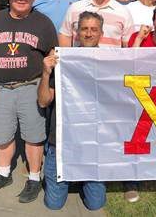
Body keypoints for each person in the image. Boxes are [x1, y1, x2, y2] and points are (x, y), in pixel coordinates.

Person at [0, 0, 57, 203]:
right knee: (2, 134)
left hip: (30, 87)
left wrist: (47, 84)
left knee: (34, 135)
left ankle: (33, 178)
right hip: (1, 88)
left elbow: (53, 53)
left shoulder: (43, 23)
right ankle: (3, 174)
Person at [39, 11, 106, 211]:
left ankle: (81, 178)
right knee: (54, 204)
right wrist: (45, 72)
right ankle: (60, 175)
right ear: (76, 33)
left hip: (94, 144)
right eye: (84, 29)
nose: (88, 33)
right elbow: (43, 102)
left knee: (95, 204)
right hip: (60, 143)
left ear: (101, 33)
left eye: (94, 29)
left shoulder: (109, 62)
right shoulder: (62, 61)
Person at [123, 1, 156, 202]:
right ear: (153, 21)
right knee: (137, 138)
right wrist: (138, 39)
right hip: (139, 96)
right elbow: (128, 62)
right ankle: (131, 181)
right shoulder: (140, 38)